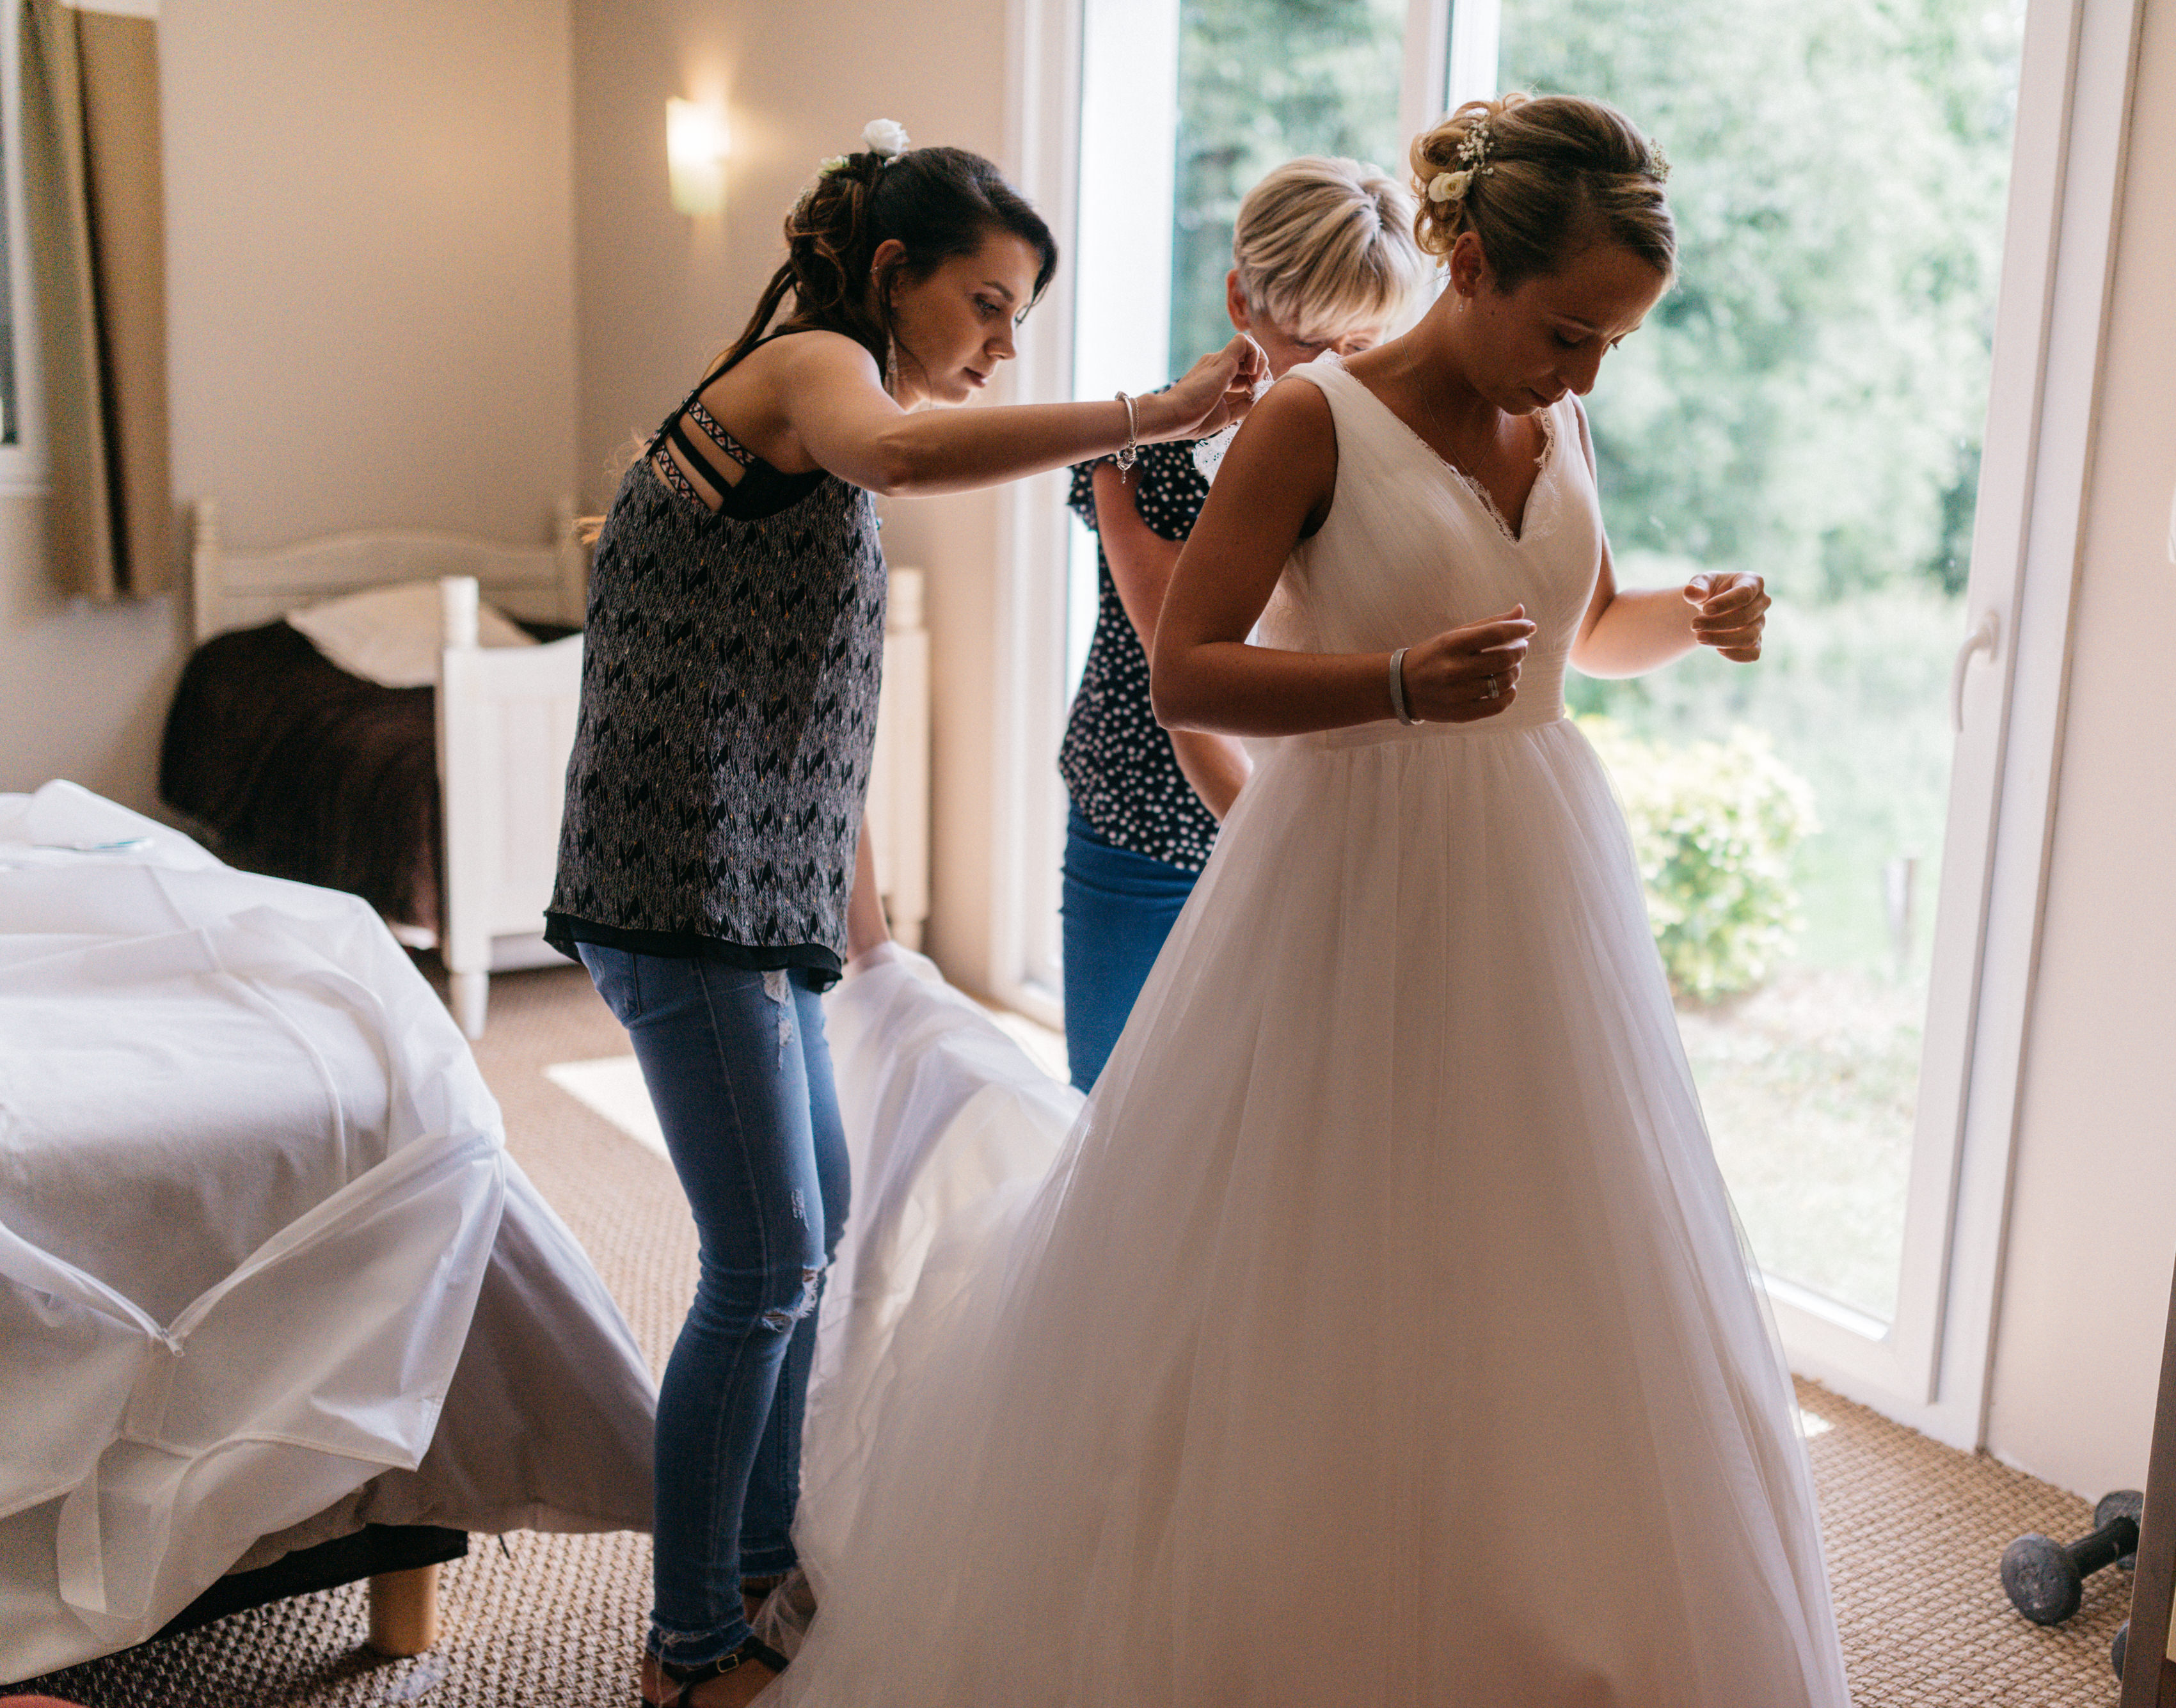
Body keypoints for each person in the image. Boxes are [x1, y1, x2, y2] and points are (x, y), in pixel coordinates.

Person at [766, 94, 1850, 1706]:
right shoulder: (1310, 421)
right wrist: (1394, 685)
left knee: (1534, 1234)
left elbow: (1579, 631)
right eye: (1568, 331)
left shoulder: (1559, 420)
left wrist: (1687, 615)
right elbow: (1186, 670)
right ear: (1467, 267)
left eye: (1614, 344)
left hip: (1534, 874)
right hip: (1350, 864)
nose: (1585, 374)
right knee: (1315, 1232)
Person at [542, 125, 1260, 1708]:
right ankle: (686, 1649)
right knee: (762, 1264)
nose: (1003, 346)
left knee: (808, 1236)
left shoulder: (817, 402)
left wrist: (852, 928)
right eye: (987, 305)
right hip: (682, 894)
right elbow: (908, 458)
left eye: (1022, 319)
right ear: (888, 272)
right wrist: (1152, 416)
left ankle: (755, 1566)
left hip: (747, 901)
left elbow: (803, 709)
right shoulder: (815, 368)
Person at [1058, 156, 1427, 1089]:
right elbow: (1189, 690)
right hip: (1147, 818)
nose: (1333, 372)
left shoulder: (1391, 450)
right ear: (1239, 302)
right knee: (1116, 1096)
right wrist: (1284, 853)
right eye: (1307, 344)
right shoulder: (1146, 450)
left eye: (1363, 343)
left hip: (1309, 818)